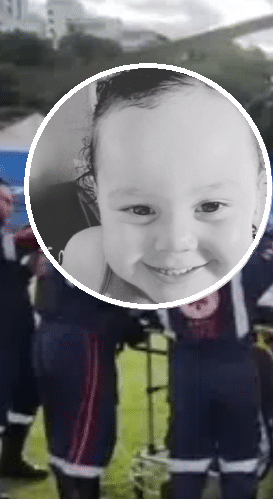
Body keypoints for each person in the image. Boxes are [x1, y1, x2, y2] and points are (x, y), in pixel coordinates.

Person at [59, 67, 268, 304]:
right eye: (141, 210)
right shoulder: (90, 261)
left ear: (258, 200)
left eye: (211, 206)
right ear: (98, 202)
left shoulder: (270, 274)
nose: (175, 242)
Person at [162, 237, 273, 499]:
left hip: (187, 368)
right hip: (233, 365)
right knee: (239, 458)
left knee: (187, 459)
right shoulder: (239, 253)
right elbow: (272, 271)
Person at [33, 262, 149, 499]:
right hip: (83, 336)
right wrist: (133, 324)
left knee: (63, 428)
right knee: (90, 428)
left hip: (52, 332)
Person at [0, 182, 47, 499]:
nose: (7, 205)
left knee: (28, 393)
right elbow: (18, 249)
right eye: (1, 199)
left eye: (9, 199)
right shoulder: (9, 240)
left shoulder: (8, 237)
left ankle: (11, 458)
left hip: (19, 329)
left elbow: (24, 263)